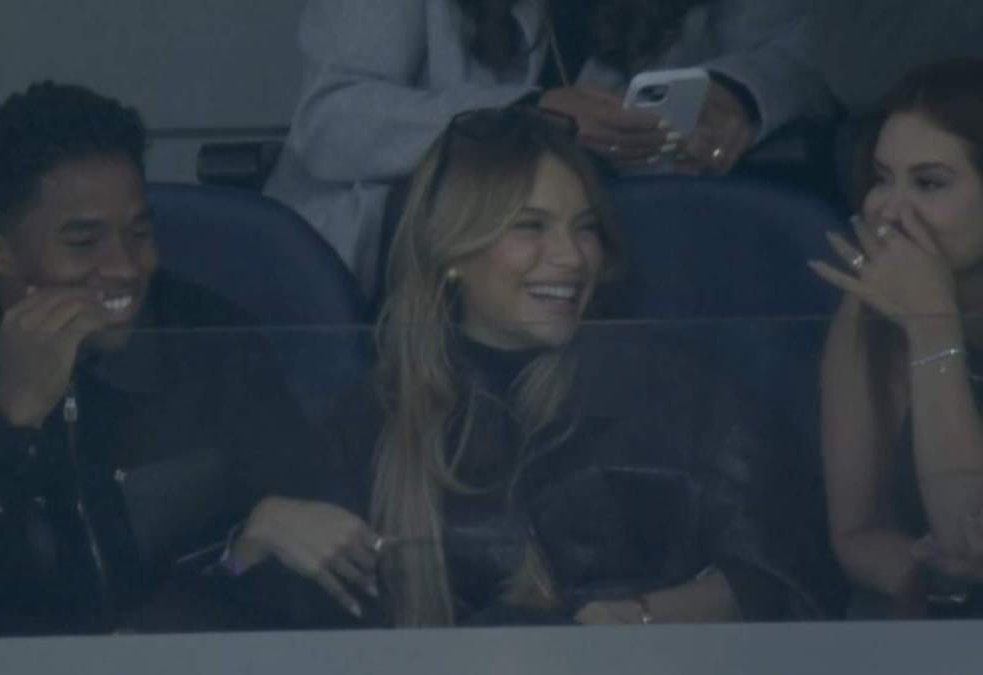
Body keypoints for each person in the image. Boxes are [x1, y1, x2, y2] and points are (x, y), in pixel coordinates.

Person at [240, 104, 819, 626]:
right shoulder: (372, 418)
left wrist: (641, 619)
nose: (570, 258)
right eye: (530, 227)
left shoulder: (674, 389)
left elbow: (787, 575)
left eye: (585, 228)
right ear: (452, 251)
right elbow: (291, 627)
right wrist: (257, 536)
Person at [0, 82, 322, 638]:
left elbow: (302, 550)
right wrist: (11, 418)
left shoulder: (215, 339)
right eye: (84, 242)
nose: (128, 267)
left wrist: (186, 606)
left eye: (139, 232)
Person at [265, 0, 833, 297]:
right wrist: (529, 115)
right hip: (421, 268)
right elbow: (329, 120)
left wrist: (735, 93)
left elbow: (813, 50)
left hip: (623, 255)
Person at [811, 58, 983, 617]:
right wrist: (935, 578)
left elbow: (969, 527)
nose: (888, 210)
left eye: (929, 183)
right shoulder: (869, 306)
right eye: (883, 178)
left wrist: (933, 326)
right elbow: (856, 535)